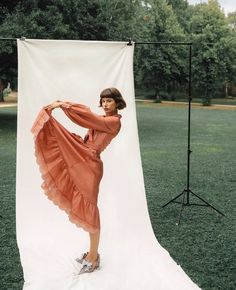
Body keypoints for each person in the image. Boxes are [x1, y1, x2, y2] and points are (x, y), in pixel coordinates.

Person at [31, 88, 126, 275]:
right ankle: (93, 254)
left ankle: (93, 257)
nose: (105, 104)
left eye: (109, 101)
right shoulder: (104, 119)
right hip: (83, 157)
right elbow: (91, 123)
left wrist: (63, 104)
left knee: (90, 209)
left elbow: (89, 118)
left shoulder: (113, 122)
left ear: (117, 102)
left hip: (91, 166)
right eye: (103, 101)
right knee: (58, 139)